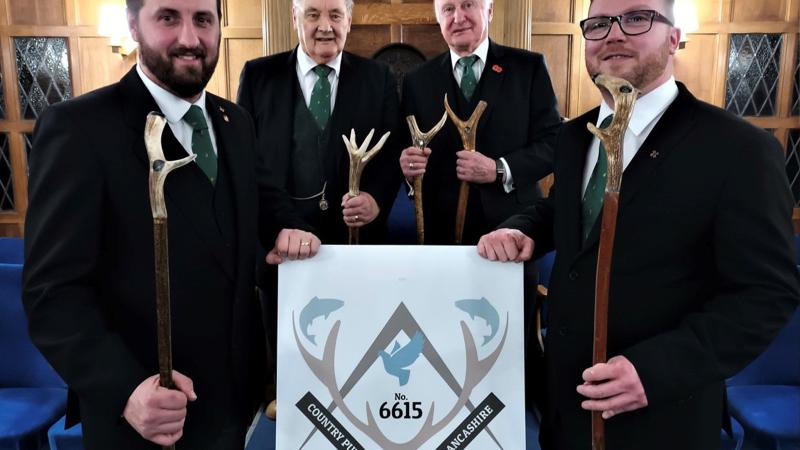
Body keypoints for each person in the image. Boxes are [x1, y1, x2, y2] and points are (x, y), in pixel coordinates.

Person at [476, 0, 800, 449]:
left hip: (664, 418)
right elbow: (564, 212)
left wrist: (657, 370)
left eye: (635, 18)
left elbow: (768, 294)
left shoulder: (738, 149)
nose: (613, 33)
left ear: (673, 37)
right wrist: (522, 228)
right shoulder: (574, 136)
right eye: (599, 23)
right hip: (565, 412)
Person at [22, 0, 304, 447]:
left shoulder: (235, 123)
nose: (190, 39)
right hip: (145, 419)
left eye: (203, 20)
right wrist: (126, 391)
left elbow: (268, 203)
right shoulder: (80, 129)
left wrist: (289, 228)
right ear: (134, 25)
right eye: (169, 17)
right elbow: (52, 295)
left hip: (236, 406)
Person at [236, 0, 403, 402]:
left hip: (355, 249)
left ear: (350, 20)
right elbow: (244, 162)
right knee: (292, 366)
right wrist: (278, 228)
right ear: (295, 18)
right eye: (312, 14)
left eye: (335, 15)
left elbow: (394, 148)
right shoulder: (258, 76)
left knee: (357, 359)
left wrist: (377, 201)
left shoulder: (377, 77)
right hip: (281, 251)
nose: (324, 27)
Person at [399, 0, 562, 245]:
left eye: (467, 5)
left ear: (490, 10)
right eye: (448, 9)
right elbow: (407, 150)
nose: (458, 17)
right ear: (438, 18)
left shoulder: (528, 68)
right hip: (441, 235)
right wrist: (408, 169)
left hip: (512, 228)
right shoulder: (417, 80)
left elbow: (554, 143)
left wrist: (498, 168)